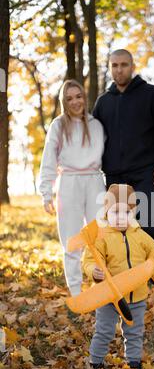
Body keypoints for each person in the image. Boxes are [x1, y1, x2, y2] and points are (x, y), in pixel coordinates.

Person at [92, 49, 154, 280]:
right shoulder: (103, 102)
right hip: (114, 177)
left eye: (124, 65)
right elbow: (94, 138)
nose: (119, 70)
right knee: (118, 232)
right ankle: (130, 281)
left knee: (149, 227)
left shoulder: (151, 95)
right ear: (110, 68)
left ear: (133, 66)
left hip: (147, 173)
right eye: (115, 65)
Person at [82, 184, 154, 369]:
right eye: (115, 212)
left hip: (136, 297)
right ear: (106, 213)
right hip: (109, 297)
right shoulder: (102, 237)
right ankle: (95, 362)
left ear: (134, 212)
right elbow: (90, 260)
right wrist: (93, 271)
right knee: (104, 331)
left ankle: (133, 363)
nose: (121, 216)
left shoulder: (141, 237)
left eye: (126, 211)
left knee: (134, 332)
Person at [39, 79, 106, 296]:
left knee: (100, 235)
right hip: (68, 182)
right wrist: (46, 192)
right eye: (69, 98)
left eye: (78, 96)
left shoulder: (96, 125)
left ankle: (102, 283)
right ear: (63, 102)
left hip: (95, 181)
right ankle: (76, 291)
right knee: (71, 238)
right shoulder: (58, 125)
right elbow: (48, 159)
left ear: (84, 98)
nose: (75, 102)